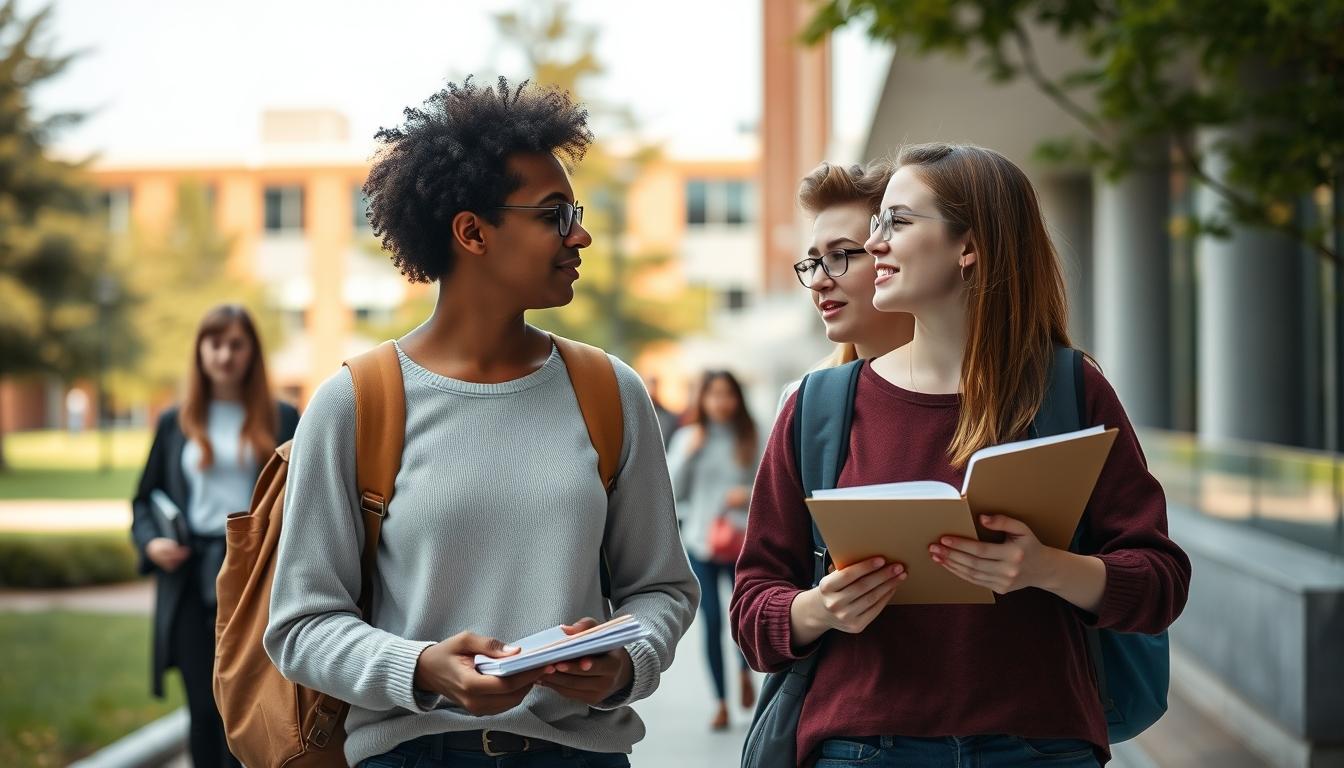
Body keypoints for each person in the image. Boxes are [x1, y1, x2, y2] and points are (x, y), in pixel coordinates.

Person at [262, 77, 698, 768]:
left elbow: (662, 588)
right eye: (554, 214)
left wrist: (624, 662)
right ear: (472, 232)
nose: (579, 234)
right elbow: (301, 626)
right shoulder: (355, 403)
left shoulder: (609, 391)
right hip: (411, 756)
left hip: (578, 757)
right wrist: (422, 667)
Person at [731, 143, 1191, 767]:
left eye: (896, 222)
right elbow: (753, 608)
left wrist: (1045, 568)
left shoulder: (1069, 389)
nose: (873, 245)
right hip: (862, 750)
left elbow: (1161, 582)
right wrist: (821, 608)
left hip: (1040, 748)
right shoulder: (818, 406)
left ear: (968, 247)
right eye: (875, 226)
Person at [131, 304, 299, 768]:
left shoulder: (283, 417)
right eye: (215, 342)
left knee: (245, 703)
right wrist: (150, 543)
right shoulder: (175, 421)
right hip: (189, 574)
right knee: (203, 710)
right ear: (200, 350)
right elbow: (143, 500)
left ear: (252, 352)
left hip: (256, 576)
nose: (225, 354)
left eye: (236, 344)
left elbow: (307, 497)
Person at [666, 370, 760, 731]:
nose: (721, 402)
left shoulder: (750, 435)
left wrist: (746, 494)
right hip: (701, 544)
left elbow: (772, 483)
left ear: (737, 399)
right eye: (714, 395)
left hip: (742, 542)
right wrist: (688, 454)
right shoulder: (690, 437)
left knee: (740, 617)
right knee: (710, 623)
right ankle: (720, 701)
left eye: (728, 394)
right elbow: (672, 490)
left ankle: (743, 672)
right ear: (702, 399)